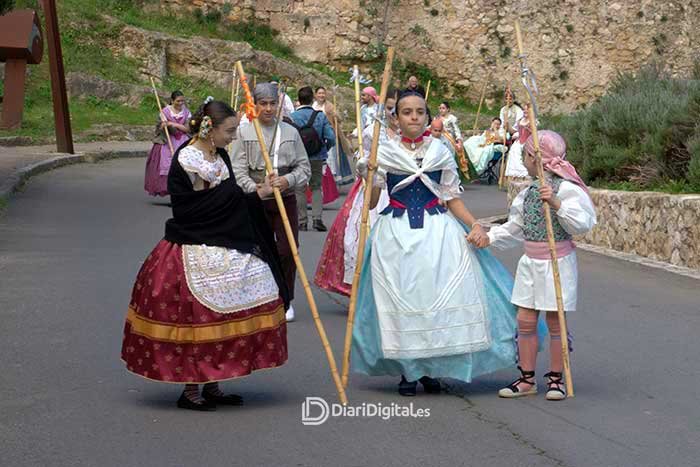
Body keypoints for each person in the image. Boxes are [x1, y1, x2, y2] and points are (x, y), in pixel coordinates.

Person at [122, 99, 290, 411]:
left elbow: (226, 199)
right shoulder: (189, 157)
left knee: (242, 301)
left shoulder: (218, 153)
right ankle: (190, 390)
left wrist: (259, 192)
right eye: (230, 131)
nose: (234, 136)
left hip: (222, 236)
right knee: (197, 320)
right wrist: (249, 195)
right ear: (210, 130)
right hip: (195, 240)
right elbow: (203, 208)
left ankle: (213, 382)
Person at [350, 90, 519, 396]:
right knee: (402, 299)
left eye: (419, 112)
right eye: (407, 112)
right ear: (396, 118)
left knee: (434, 299)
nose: (414, 117)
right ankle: (408, 370)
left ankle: (430, 369)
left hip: (437, 233)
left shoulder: (440, 151)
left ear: (427, 117)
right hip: (395, 233)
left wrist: (475, 225)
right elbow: (372, 202)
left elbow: (451, 198)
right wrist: (368, 175)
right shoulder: (382, 152)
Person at [469, 130, 597, 401]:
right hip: (530, 263)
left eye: (525, 155)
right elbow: (517, 226)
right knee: (525, 319)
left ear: (534, 158)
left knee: (554, 320)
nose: (522, 160)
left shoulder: (566, 189)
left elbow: (582, 223)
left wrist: (556, 203)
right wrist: (490, 237)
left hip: (557, 262)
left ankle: (556, 379)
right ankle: (527, 379)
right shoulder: (528, 193)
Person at [231, 83, 311, 323]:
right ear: (254, 105)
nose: (268, 108)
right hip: (256, 199)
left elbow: (304, 167)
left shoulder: (290, 132)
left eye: (272, 103)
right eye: (263, 103)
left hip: (285, 198)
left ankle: (285, 299)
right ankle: (256, 299)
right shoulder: (244, 132)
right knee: (255, 251)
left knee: (288, 250)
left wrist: (288, 180)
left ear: (279, 104)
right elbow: (237, 170)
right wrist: (257, 189)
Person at [314, 92, 397, 297]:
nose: (394, 114)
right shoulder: (372, 132)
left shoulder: (409, 136)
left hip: (399, 191)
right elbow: (366, 158)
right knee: (360, 235)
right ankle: (363, 289)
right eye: (389, 108)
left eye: (398, 109)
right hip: (375, 188)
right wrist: (365, 166)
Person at [290, 86, 336, 232]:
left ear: (299, 99)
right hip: (316, 156)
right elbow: (331, 137)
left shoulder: (292, 117)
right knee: (316, 187)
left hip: (298, 157)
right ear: (312, 99)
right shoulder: (320, 116)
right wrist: (324, 149)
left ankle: (302, 221)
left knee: (299, 188)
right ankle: (317, 219)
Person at [144, 91, 191, 197]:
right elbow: (159, 128)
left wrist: (173, 123)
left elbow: (187, 129)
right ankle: (170, 190)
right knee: (167, 165)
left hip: (182, 141)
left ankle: (181, 191)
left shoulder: (186, 112)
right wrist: (164, 125)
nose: (180, 103)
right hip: (167, 141)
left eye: (182, 101)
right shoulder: (164, 112)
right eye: (178, 101)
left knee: (183, 166)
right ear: (172, 101)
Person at [313, 86, 354, 184]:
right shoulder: (313, 106)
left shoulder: (329, 106)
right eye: (319, 93)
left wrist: (336, 115)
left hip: (329, 134)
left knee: (331, 157)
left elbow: (339, 119)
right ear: (316, 95)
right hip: (317, 135)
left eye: (323, 93)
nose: (321, 95)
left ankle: (333, 178)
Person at [430, 118, 476, 184]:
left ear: (442, 131)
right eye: (435, 131)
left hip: (443, 165)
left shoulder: (446, 141)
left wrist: (459, 141)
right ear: (431, 130)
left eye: (439, 131)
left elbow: (451, 154)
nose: (437, 133)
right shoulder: (427, 139)